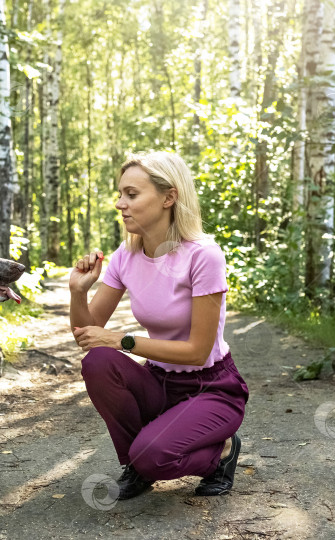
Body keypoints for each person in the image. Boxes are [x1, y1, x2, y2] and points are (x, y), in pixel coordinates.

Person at [69, 151, 249, 499]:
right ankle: (136, 465)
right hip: (159, 382)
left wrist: (124, 340)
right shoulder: (126, 255)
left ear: (169, 197)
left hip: (211, 388)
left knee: (153, 457)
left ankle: (221, 454)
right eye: (120, 194)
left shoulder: (203, 256)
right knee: (98, 362)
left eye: (132, 194)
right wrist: (78, 291)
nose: (121, 203)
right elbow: (86, 335)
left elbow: (197, 353)